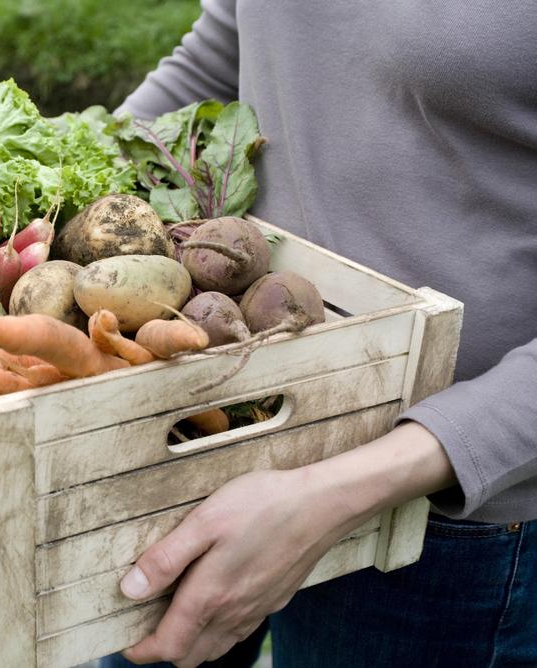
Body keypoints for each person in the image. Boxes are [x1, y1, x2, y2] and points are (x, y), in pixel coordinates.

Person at [100, 2, 537, 666]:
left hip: (438, 518)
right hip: (216, 404)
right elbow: (229, 45)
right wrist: (51, 183)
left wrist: (335, 493)